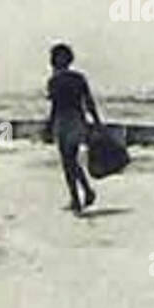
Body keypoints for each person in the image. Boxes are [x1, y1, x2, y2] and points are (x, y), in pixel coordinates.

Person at [46, 43, 102, 213]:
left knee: (68, 161)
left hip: (64, 122)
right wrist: (97, 122)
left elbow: (55, 106)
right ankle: (84, 193)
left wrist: (49, 126)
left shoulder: (54, 80)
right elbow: (89, 101)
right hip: (77, 120)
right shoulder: (78, 78)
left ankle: (78, 198)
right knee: (71, 160)